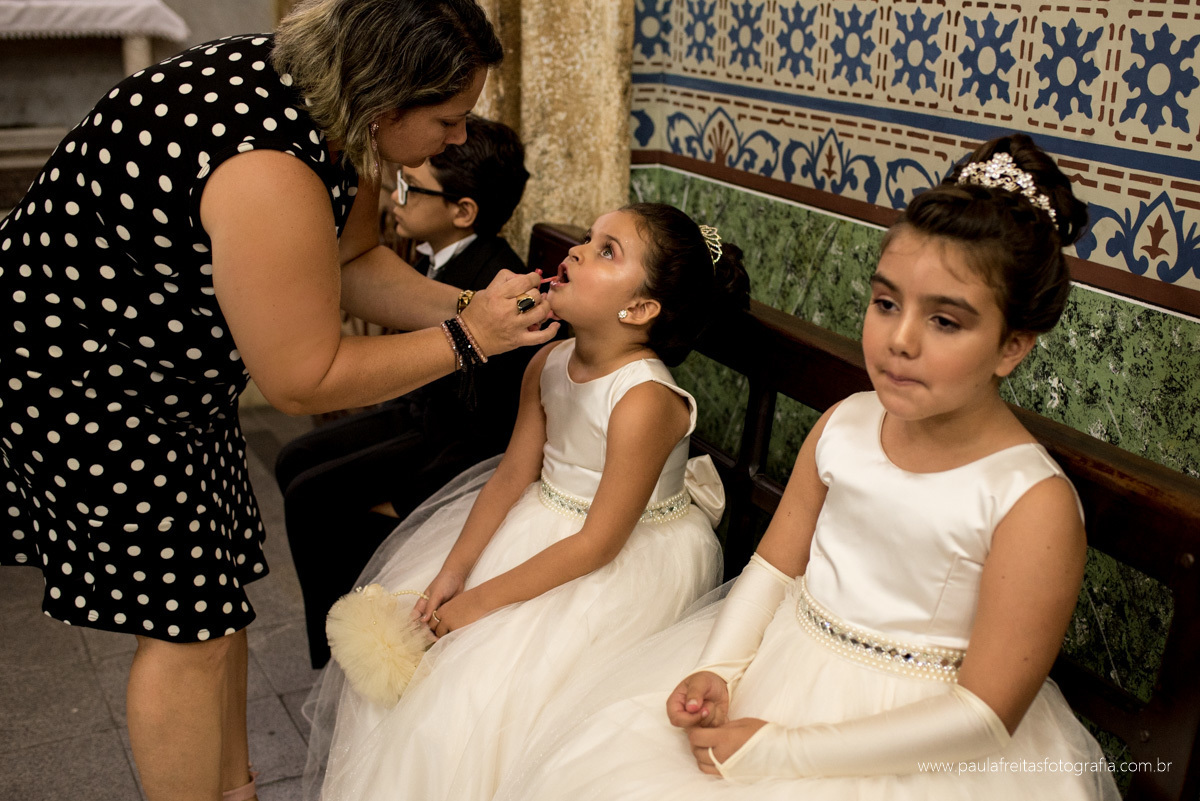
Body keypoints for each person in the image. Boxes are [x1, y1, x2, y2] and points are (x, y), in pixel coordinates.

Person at [0, 1, 559, 799]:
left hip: (167, 374)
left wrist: (469, 307)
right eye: (449, 118)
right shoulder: (264, 162)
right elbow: (302, 377)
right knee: (183, 626)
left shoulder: (330, 109)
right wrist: (470, 342)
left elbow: (351, 259)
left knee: (211, 601)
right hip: (86, 374)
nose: (461, 138)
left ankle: (233, 786)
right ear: (385, 99)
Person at [493, 134, 1122, 801]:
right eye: (886, 303)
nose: (899, 339)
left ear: (1012, 345)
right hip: (785, 660)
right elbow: (772, 567)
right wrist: (719, 669)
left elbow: (985, 714)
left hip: (919, 740)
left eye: (944, 320)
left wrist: (784, 750)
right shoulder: (845, 423)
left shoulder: (1030, 499)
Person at [304, 203, 751, 801]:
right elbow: (512, 475)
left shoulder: (645, 398)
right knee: (419, 665)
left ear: (639, 309)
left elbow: (597, 544)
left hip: (617, 559)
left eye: (606, 251)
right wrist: (453, 575)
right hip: (544, 520)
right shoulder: (547, 360)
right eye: (589, 238)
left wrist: (476, 606)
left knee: (483, 695)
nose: (576, 251)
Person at [274, 114, 540, 669]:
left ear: (462, 212)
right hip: (426, 415)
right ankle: (339, 624)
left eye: (408, 189)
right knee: (295, 456)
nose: (394, 200)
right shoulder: (437, 257)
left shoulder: (488, 282)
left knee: (312, 495)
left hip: (455, 443)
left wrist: (406, 498)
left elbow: (487, 430)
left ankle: (343, 652)